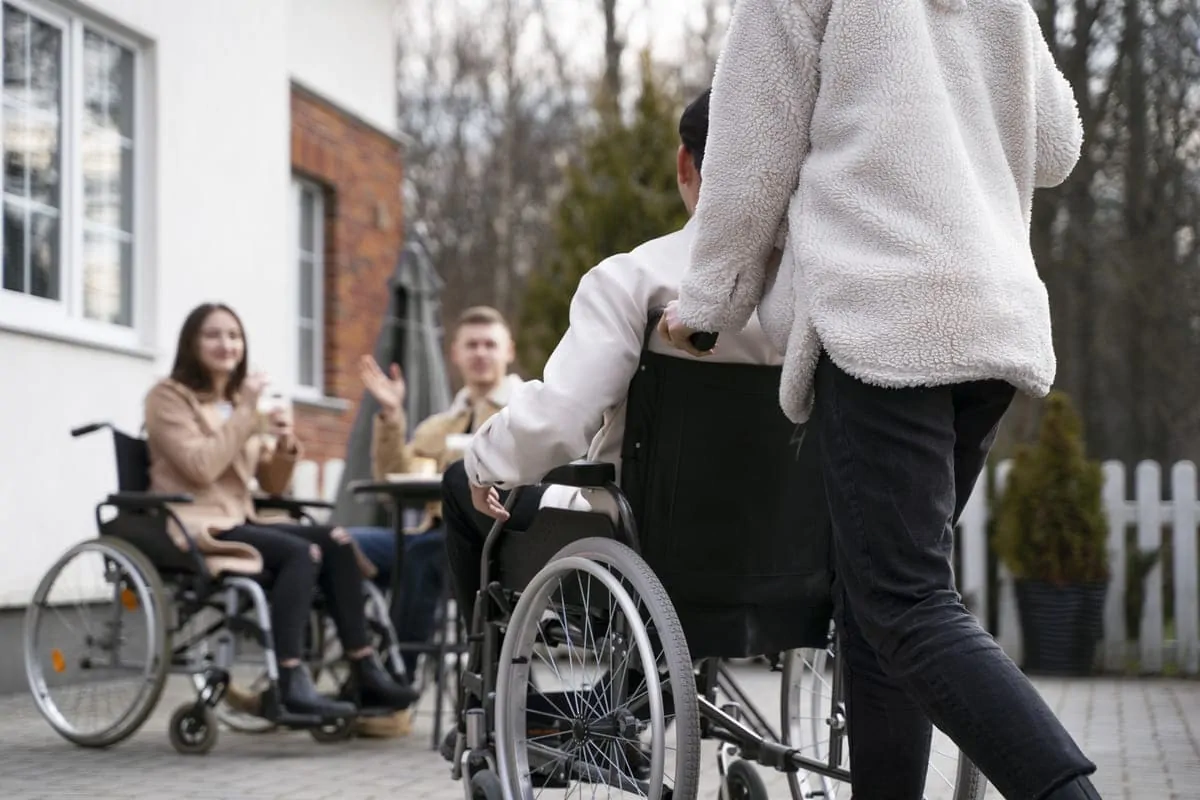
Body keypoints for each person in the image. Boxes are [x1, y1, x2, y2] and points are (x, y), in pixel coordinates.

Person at [657, 1, 1097, 799]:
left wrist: (710, 302)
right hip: (992, 322)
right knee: (874, 613)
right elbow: (1058, 145)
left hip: (886, 311)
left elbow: (750, 146)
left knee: (905, 604)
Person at [437, 88, 781, 759]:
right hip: (788, 554)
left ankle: (499, 706)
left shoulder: (638, 279)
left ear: (686, 164)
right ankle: (607, 697)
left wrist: (486, 461)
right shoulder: (825, 293)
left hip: (649, 546)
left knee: (461, 484)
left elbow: (561, 422)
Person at [144, 302, 420, 719]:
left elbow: (271, 485)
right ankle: (288, 679)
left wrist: (286, 445)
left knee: (337, 540)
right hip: (198, 523)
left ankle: (364, 670)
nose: (226, 344)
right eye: (214, 335)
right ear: (192, 343)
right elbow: (200, 468)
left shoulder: (237, 404)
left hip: (241, 518)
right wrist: (244, 414)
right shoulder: (168, 398)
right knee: (300, 553)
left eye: (234, 336)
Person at [346, 306, 522, 678]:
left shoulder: (525, 412)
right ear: (455, 354)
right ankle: (358, 673)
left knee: (423, 557)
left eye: (490, 344)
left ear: (510, 351)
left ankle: (397, 683)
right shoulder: (440, 425)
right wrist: (392, 416)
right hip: (429, 531)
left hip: (492, 539)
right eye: (471, 345)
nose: (480, 353)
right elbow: (395, 476)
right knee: (339, 544)